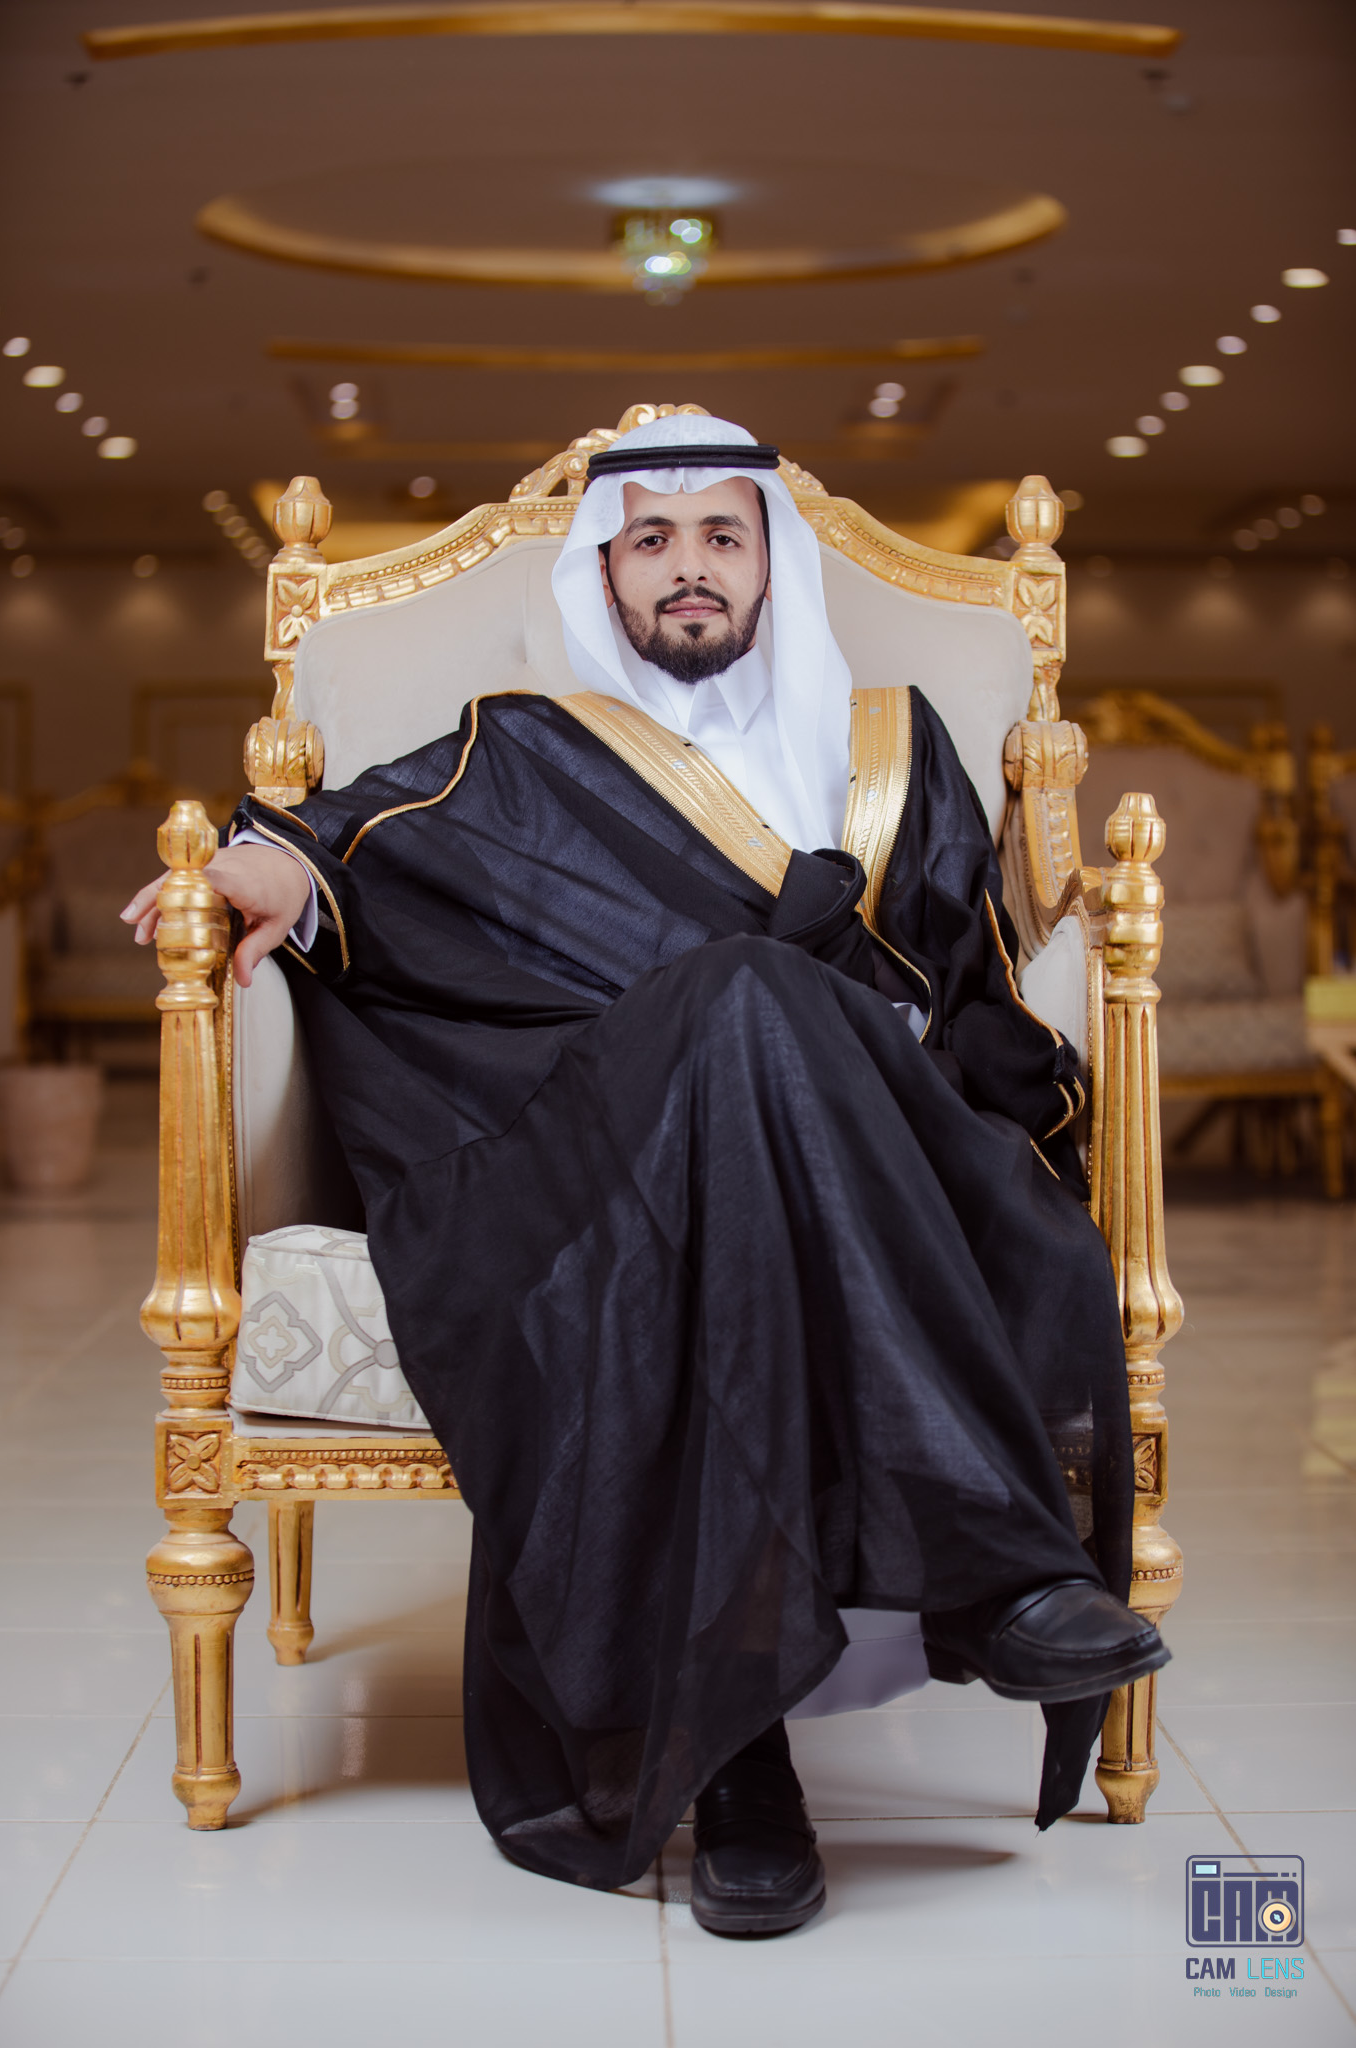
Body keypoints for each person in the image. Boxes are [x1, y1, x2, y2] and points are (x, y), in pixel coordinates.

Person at [123, 412, 1167, 1939]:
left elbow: (976, 986)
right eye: (652, 540)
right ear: (603, 571)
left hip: (857, 1157)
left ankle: (743, 1768)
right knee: (741, 1000)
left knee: (764, 1034)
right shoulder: (516, 753)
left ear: (768, 564)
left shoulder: (891, 752)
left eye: (719, 536)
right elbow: (346, 843)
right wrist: (257, 869)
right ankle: (996, 1578)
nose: (688, 567)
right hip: (606, 1157)